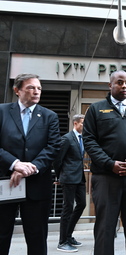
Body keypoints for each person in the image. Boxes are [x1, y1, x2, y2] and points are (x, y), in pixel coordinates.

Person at [82, 70, 126, 255]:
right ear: (110, 85)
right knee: (105, 228)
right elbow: (89, 140)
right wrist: (109, 163)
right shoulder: (95, 109)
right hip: (106, 177)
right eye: (120, 82)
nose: (124, 86)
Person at [0, 73, 61, 255]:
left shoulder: (49, 116)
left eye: (39, 88)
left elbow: (53, 147)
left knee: (37, 238)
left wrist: (29, 168)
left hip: (36, 186)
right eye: (31, 88)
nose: (36, 92)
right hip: (5, 183)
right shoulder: (2, 112)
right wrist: (15, 164)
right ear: (17, 90)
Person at [54, 114, 86, 252]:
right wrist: (59, 176)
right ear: (75, 123)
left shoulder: (83, 138)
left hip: (79, 178)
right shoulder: (66, 139)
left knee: (82, 204)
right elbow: (57, 159)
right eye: (83, 123)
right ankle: (62, 242)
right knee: (67, 208)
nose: (85, 126)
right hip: (68, 178)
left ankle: (68, 235)